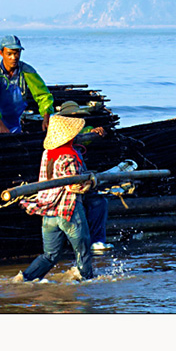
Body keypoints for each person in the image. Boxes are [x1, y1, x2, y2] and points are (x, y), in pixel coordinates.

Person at [13, 115, 94, 282]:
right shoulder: (70, 156)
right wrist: (91, 181)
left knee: (50, 255)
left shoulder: (47, 154)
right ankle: (87, 280)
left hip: (48, 210)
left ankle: (24, 278)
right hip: (68, 209)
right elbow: (74, 185)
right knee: (83, 250)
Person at [57, 100, 112, 253]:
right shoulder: (59, 138)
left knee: (99, 201)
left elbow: (87, 134)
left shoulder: (79, 136)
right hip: (66, 191)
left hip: (78, 185)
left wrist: (94, 132)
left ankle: (96, 241)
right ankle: (89, 242)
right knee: (93, 202)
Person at [0, 35, 54, 134]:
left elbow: (43, 95)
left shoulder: (27, 71)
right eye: (9, 54)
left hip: (12, 120)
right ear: (1, 53)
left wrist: (46, 117)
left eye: (17, 53)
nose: (14, 58)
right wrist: (0, 126)